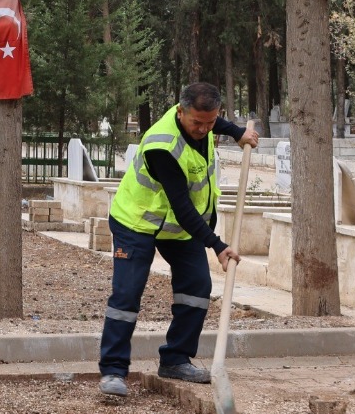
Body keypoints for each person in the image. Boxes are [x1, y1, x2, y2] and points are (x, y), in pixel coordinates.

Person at [98, 82, 257, 397]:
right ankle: (113, 372)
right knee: (127, 296)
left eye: (210, 123)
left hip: (177, 228)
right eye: (196, 122)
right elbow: (183, 206)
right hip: (137, 222)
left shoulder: (207, 123)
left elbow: (216, 124)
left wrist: (237, 132)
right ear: (180, 112)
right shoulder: (162, 145)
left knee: (197, 287)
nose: (203, 129)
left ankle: (175, 358)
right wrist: (217, 245)